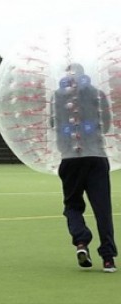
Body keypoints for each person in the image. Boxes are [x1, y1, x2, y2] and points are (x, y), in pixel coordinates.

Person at [53, 63, 118, 272]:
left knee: (72, 205)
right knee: (102, 209)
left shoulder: (58, 96)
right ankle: (108, 259)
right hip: (96, 156)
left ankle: (81, 241)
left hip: (70, 158)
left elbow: (54, 124)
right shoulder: (98, 94)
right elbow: (107, 124)